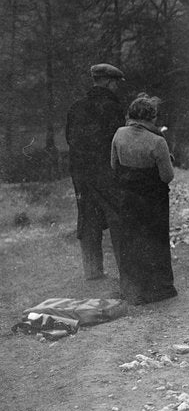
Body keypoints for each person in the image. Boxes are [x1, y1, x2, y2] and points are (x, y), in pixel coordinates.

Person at [109, 95, 177, 305]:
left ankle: (132, 288)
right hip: (152, 200)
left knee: (130, 242)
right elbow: (167, 176)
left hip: (127, 198)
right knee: (154, 242)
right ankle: (158, 289)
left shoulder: (119, 134)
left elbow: (114, 165)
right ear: (152, 117)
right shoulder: (157, 141)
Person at [65, 63, 125, 281]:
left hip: (81, 173)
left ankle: (92, 270)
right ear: (108, 82)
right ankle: (125, 269)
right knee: (117, 217)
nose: (117, 87)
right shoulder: (113, 107)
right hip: (107, 171)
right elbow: (118, 142)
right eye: (116, 83)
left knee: (88, 218)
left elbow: (69, 139)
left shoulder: (76, 107)